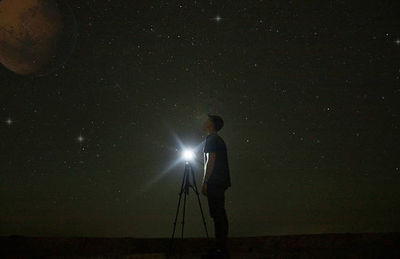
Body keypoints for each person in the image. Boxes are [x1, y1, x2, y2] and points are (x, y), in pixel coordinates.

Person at [202, 113, 231, 258]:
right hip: (220, 181)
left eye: (207, 120)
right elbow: (210, 160)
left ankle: (220, 250)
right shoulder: (216, 140)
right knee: (219, 214)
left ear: (212, 124)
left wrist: (205, 181)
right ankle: (221, 247)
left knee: (218, 214)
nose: (205, 121)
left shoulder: (212, 139)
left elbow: (210, 161)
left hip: (215, 182)